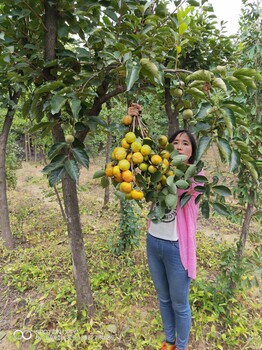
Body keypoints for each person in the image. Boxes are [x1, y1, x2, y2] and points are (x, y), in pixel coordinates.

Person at [128, 103, 202, 350]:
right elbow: (139, 153)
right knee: (163, 298)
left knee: (180, 303)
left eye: (186, 143)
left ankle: (181, 346)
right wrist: (135, 119)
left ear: (192, 152)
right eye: (176, 142)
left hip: (176, 248)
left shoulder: (194, 179)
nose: (180, 146)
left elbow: (195, 187)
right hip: (154, 242)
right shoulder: (158, 169)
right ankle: (169, 342)